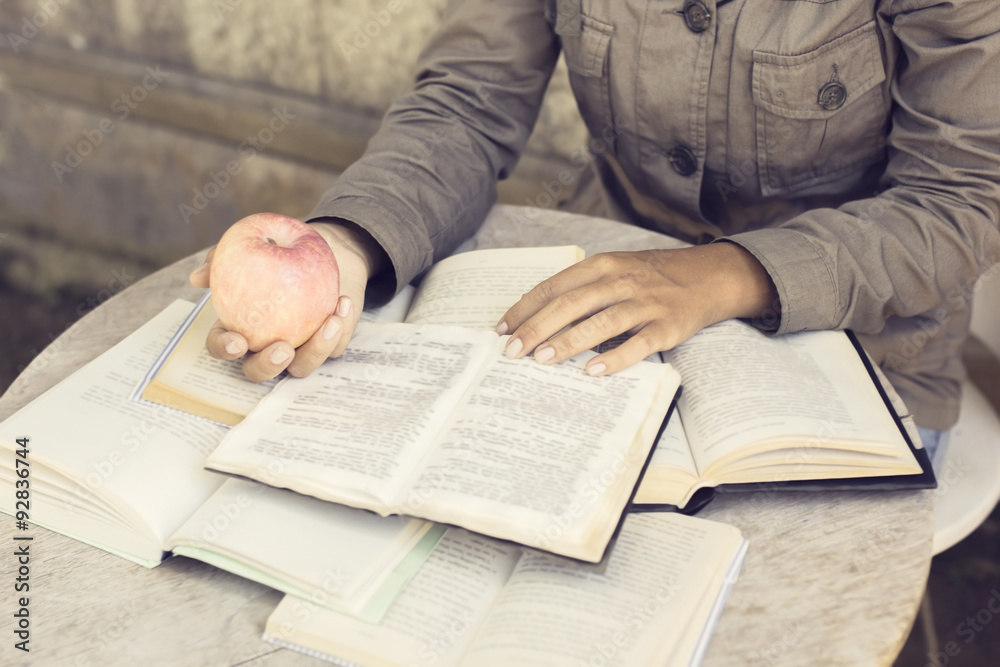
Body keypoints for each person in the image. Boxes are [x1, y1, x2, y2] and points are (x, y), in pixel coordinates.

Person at [190, 0, 1000, 466]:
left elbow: (964, 193)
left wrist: (719, 277)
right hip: (599, 311)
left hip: (860, 346)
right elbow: (468, 103)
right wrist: (347, 246)